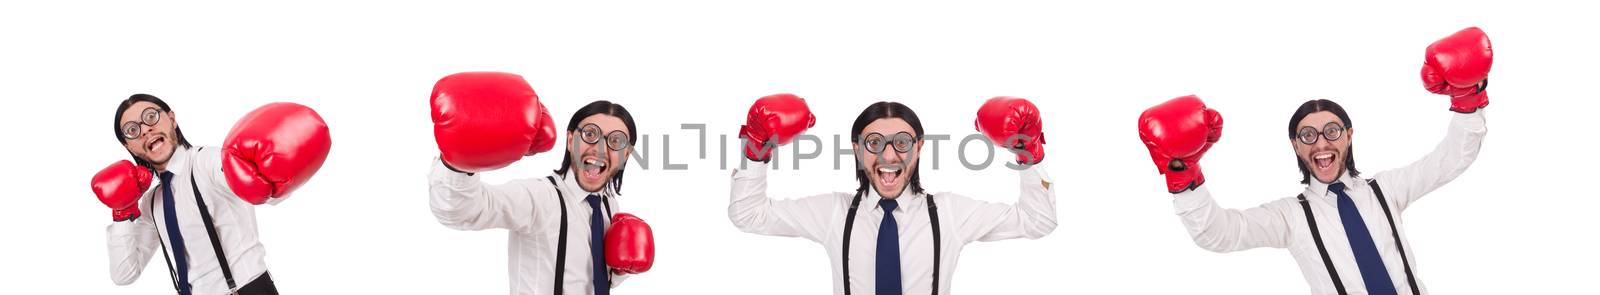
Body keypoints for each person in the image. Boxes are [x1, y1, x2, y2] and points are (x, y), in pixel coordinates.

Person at [1137, 27, 1492, 294]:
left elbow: (1449, 160)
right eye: (1308, 135)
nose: (1321, 143)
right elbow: (1220, 234)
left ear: (1349, 135)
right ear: (1296, 145)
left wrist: (1467, 101)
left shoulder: (1387, 190)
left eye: (1332, 131)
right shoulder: (1291, 216)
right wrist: (1184, 179)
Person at [728, 94, 1057, 295]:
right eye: (874, 144)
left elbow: (1037, 221)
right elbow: (749, 215)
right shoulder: (835, 213)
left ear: (919, 149)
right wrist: (755, 151)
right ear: (857, 150)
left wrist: (1028, 153)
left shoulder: (949, 213)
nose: (888, 156)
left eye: (902, 142)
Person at [426, 71, 655, 295]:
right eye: (590, 134)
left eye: (616, 140)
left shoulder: (608, 205)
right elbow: (462, 211)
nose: (601, 148)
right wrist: (457, 164)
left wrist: (619, 270)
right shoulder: (538, 197)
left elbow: (591, 279)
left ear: (626, 154)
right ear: (570, 140)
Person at [92, 94, 332, 295]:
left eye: (151, 116)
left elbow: (268, 195)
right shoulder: (150, 202)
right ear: (128, 146)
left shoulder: (207, 162)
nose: (145, 129)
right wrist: (121, 214)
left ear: (172, 119)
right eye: (132, 130)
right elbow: (124, 274)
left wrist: (270, 179)